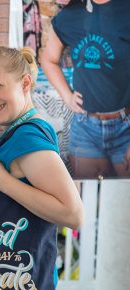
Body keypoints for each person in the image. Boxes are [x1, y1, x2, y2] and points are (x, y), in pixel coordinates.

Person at [0, 46, 84, 287]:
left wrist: (5, 183)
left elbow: (73, 214)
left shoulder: (27, 137)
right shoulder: (12, 134)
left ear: (25, 83)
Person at [41, 0, 130, 178]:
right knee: (88, 197)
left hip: (126, 127)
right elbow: (48, 59)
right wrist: (67, 96)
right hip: (85, 128)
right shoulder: (68, 17)